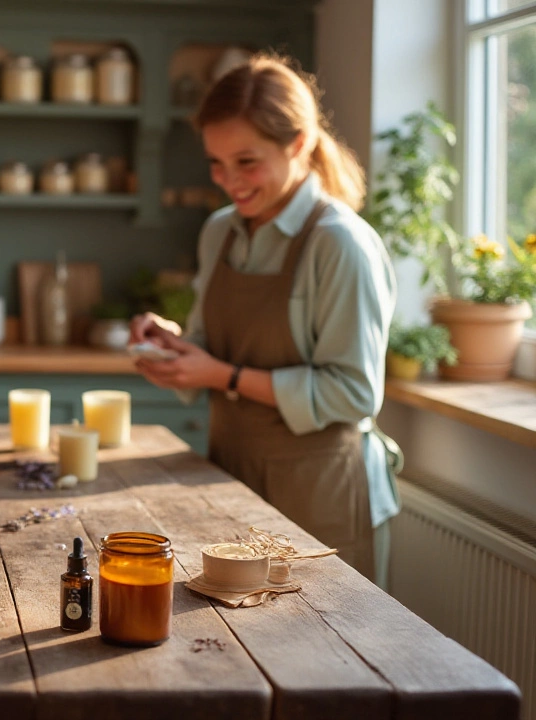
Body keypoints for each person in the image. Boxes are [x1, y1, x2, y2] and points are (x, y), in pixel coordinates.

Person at [129, 53, 397, 581]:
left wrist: (220, 376)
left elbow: (354, 393)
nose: (229, 181)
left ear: (299, 144)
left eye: (246, 162)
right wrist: (175, 347)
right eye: (216, 162)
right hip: (231, 477)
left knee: (326, 657)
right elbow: (216, 347)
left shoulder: (340, 244)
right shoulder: (220, 231)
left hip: (322, 491)